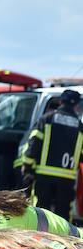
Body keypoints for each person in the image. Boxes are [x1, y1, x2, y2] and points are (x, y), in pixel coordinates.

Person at [20, 88, 83, 218]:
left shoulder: (47, 119)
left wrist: (27, 165)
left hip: (44, 176)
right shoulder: (80, 126)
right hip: (67, 178)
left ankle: (40, 237)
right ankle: (64, 238)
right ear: (76, 105)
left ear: (60, 102)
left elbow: (34, 143)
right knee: (64, 215)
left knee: (41, 213)